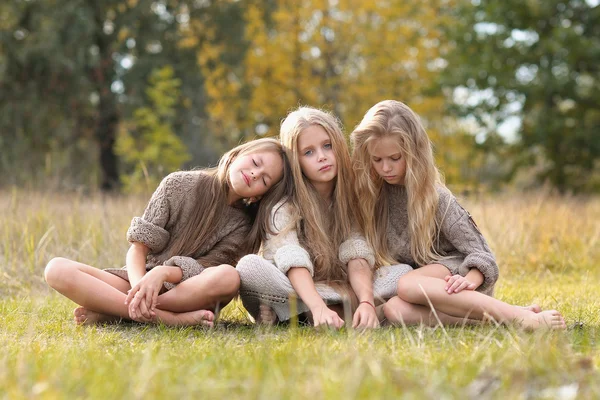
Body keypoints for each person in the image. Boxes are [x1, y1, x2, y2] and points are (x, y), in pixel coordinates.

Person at [350, 100, 566, 330]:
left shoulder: (437, 199)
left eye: (395, 158)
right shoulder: (371, 198)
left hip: (458, 279)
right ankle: (499, 321)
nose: (385, 168)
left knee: (407, 284)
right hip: (424, 293)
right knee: (394, 311)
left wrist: (468, 280)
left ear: (414, 153)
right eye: (377, 159)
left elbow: (483, 256)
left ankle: (516, 316)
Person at [44, 138, 291, 327]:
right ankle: (167, 319)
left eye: (264, 180)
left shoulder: (245, 227)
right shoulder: (178, 184)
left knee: (229, 276)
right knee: (56, 269)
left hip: (189, 295)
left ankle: (116, 309)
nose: (255, 174)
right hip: (138, 280)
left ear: (260, 194)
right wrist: (141, 284)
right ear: (238, 154)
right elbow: (138, 247)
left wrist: (162, 274)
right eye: (255, 163)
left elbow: (207, 271)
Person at [238, 107, 407, 329]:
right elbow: (292, 260)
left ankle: (342, 310)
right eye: (308, 152)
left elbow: (357, 252)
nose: (322, 157)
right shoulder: (283, 206)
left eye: (327, 146)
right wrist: (318, 306)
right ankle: (321, 310)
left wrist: (365, 300)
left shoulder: (353, 197)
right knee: (249, 268)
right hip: (296, 286)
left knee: (402, 273)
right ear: (295, 161)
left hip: (341, 284)